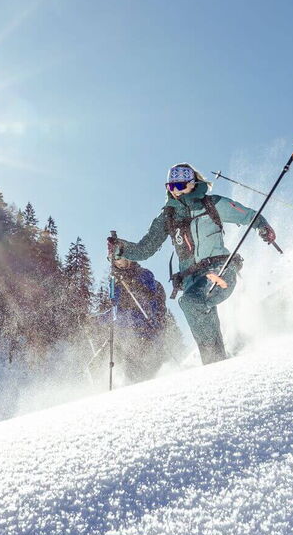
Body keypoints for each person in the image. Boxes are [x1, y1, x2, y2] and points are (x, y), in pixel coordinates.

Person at [109, 163, 276, 364]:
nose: (175, 191)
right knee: (195, 303)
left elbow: (249, 215)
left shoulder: (212, 204)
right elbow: (145, 249)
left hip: (220, 271)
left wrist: (262, 227)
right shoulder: (167, 217)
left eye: (180, 186)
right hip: (192, 281)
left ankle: (213, 361)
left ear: (192, 184)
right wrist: (120, 249)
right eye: (171, 187)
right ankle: (218, 364)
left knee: (190, 302)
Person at [108, 255, 169, 383]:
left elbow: (151, 299)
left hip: (147, 328)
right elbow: (115, 310)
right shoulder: (115, 283)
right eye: (111, 259)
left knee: (146, 368)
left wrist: (132, 284)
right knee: (131, 369)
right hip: (129, 335)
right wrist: (94, 319)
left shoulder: (144, 274)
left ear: (128, 257)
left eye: (118, 257)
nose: (116, 261)